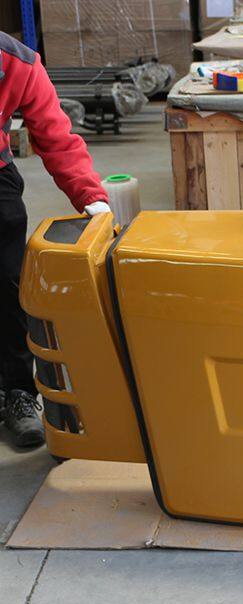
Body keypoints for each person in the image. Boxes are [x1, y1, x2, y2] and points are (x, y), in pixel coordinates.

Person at [0, 33, 109, 448]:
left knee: (9, 283)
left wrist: (92, 200)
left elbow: (55, 136)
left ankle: (19, 392)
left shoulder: (18, 63)